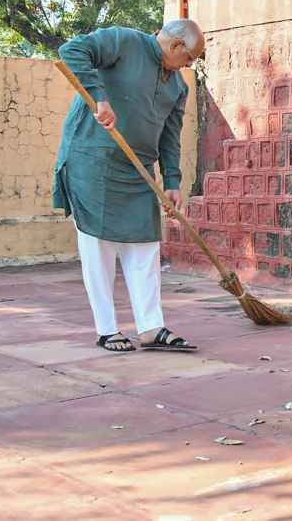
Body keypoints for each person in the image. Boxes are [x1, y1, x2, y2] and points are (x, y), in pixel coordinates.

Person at [53, 19, 205, 353]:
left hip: (137, 170)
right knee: (99, 246)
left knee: (145, 247)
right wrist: (100, 99)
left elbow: (170, 136)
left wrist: (173, 182)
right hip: (92, 160)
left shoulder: (178, 86)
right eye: (190, 58)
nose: (189, 65)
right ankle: (107, 329)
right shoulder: (123, 41)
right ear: (177, 46)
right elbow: (72, 51)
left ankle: (151, 328)